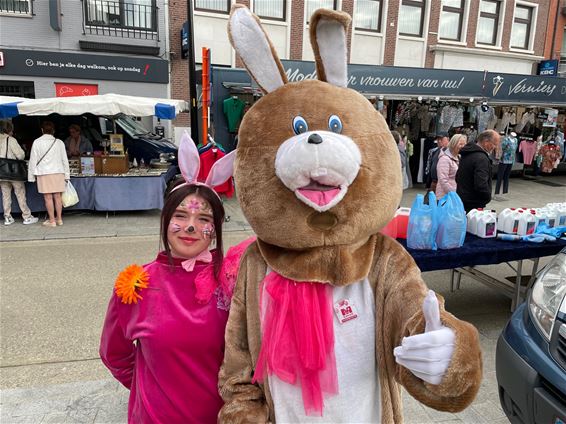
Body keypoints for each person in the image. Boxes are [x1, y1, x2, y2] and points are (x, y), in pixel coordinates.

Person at [99, 134, 239, 423]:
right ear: (165, 220)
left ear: (216, 229)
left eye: (204, 219)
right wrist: (149, 391)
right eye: (180, 215)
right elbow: (114, 354)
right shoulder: (135, 284)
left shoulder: (234, 280)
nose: (190, 227)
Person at [28, 121, 70, 227]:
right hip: (58, 172)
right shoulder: (59, 142)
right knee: (58, 196)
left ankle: (52, 221)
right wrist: (67, 175)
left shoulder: (37, 142)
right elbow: (64, 160)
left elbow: (33, 160)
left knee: (48, 197)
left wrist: (31, 176)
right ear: (53, 130)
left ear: (42, 130)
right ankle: (59, 219)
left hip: (43, 173)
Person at [0, 120, 38, 225]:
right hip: (13, 172)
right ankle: (26, 216)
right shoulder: (11, 140)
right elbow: (20, 155)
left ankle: (7, 217)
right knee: (20, 194)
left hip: (1, 173)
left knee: (5, 195)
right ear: (9, 129)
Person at [456, 130, 501, 212]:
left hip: (462, 198)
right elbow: (481, 184)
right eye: (494, 144)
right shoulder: (481, 158)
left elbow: (458, 176)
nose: (494, 147)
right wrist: (487, 197)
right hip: (474, 203)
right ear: (486, 142)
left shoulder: (468, 153)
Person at [435, 134, 467, 200]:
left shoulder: (459, 157)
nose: (462, 147)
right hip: (445, 197)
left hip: (454, 196)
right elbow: (443, 180)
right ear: (453, 144)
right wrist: (454, 194)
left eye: (464, 144)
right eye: (460, 144)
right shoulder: (444, 159)